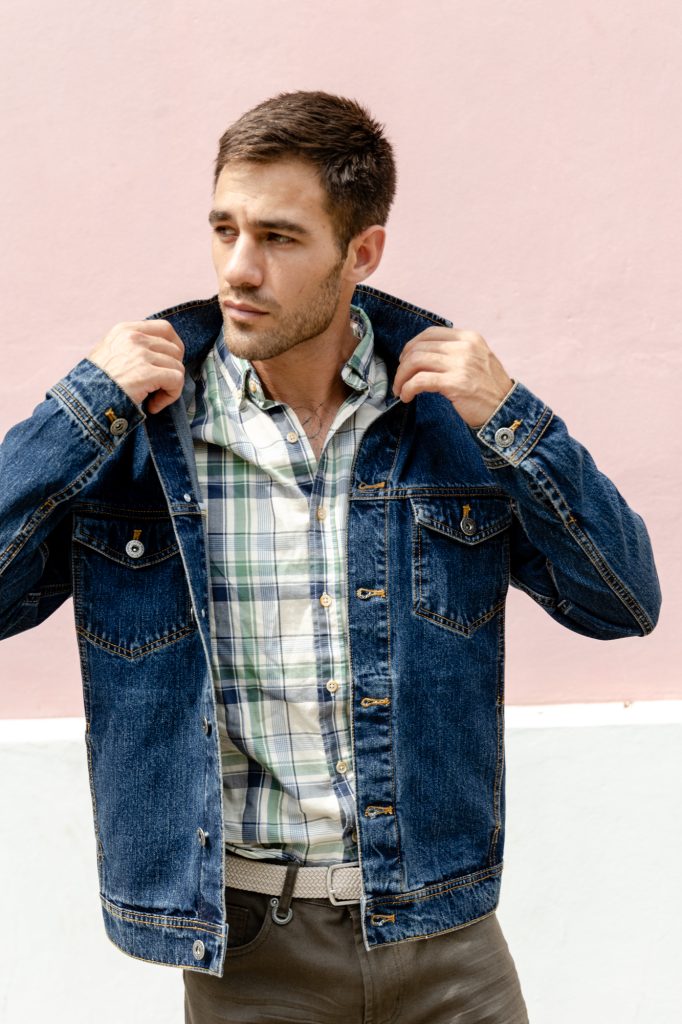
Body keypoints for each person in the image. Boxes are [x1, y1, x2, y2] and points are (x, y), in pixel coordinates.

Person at [0, 91, 661, 1023]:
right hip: (250, 957)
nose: (239, 268)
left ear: (362, 253)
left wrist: (516, 418)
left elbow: (624, 601)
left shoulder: (447, 424)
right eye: (224, 229)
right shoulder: (142, 432)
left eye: (278, 237)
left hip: (445, 936)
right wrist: (76, 411)